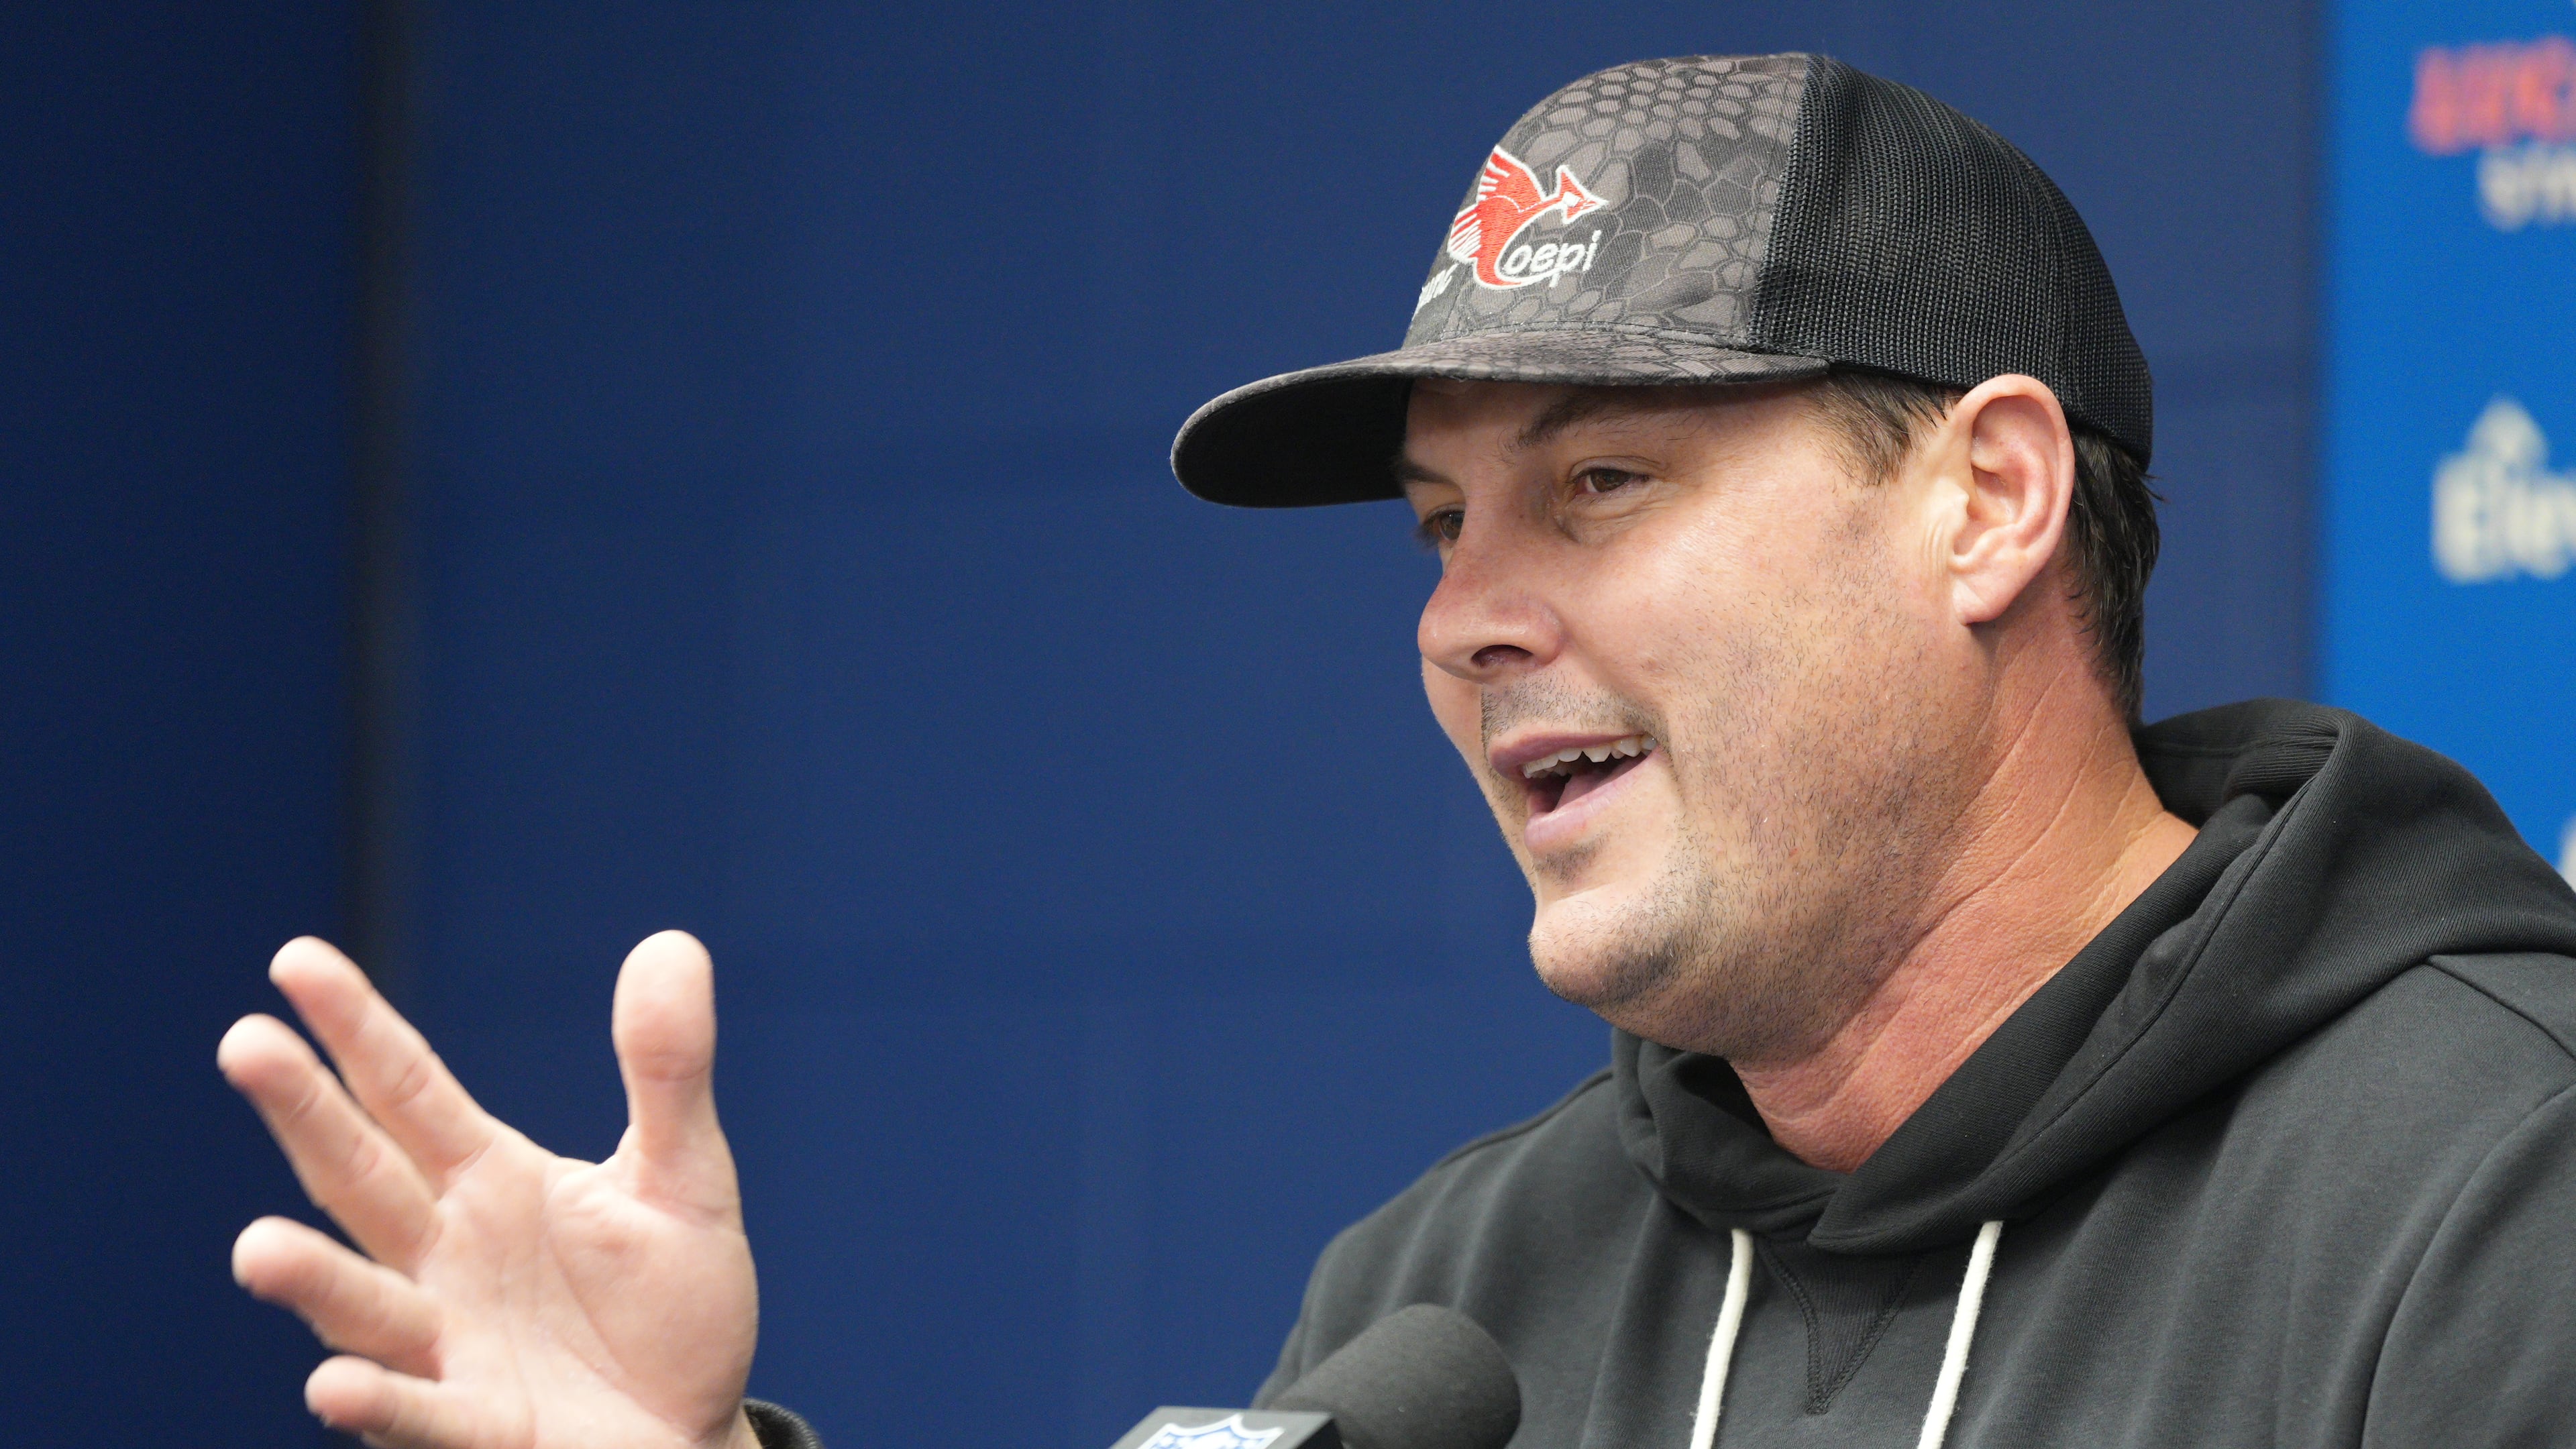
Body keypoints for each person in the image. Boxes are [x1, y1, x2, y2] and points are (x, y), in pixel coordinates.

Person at [222, 53, 2576, 1449]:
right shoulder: (1444, 1302)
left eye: (1601, 487)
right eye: (1445, 527)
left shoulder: (2488, 1197)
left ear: (1985, 500)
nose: (1464, 618)